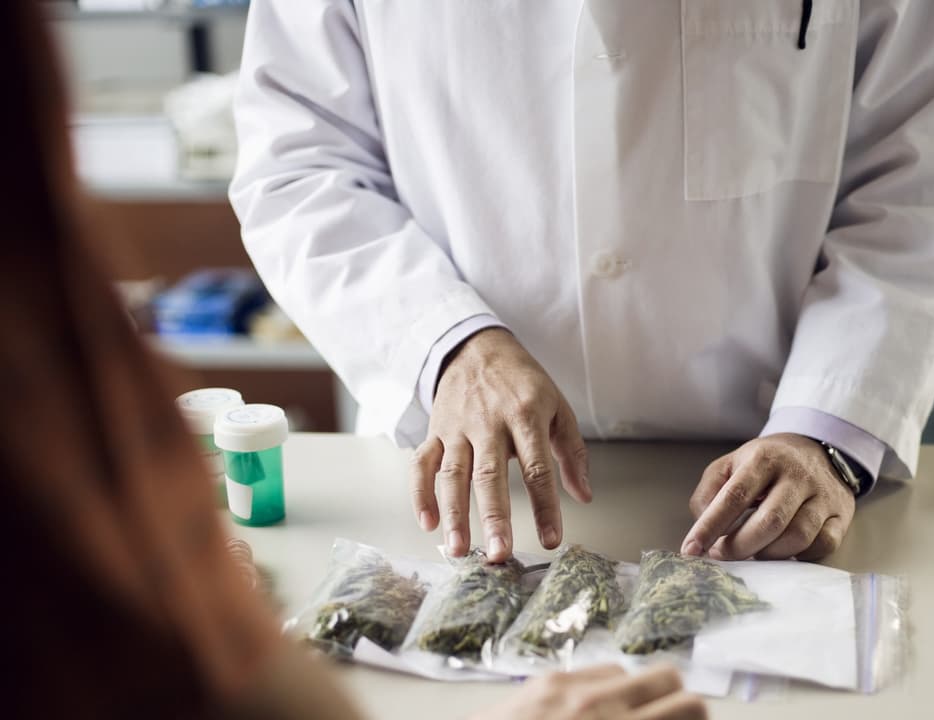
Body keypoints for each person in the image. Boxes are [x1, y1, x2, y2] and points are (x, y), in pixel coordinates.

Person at [0, 1, 702, 717]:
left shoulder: (66, 380)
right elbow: (297, 167)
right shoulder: (47, 396)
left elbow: (222, 666)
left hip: (727, 479)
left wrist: (790, 421)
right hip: (449, 471)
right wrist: (449, 340)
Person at [231, 1, 934, 563]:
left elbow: (928, 173)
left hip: (768, 484)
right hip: (466, 478)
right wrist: (446, 343)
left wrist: (828, 429)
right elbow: (300, 162)